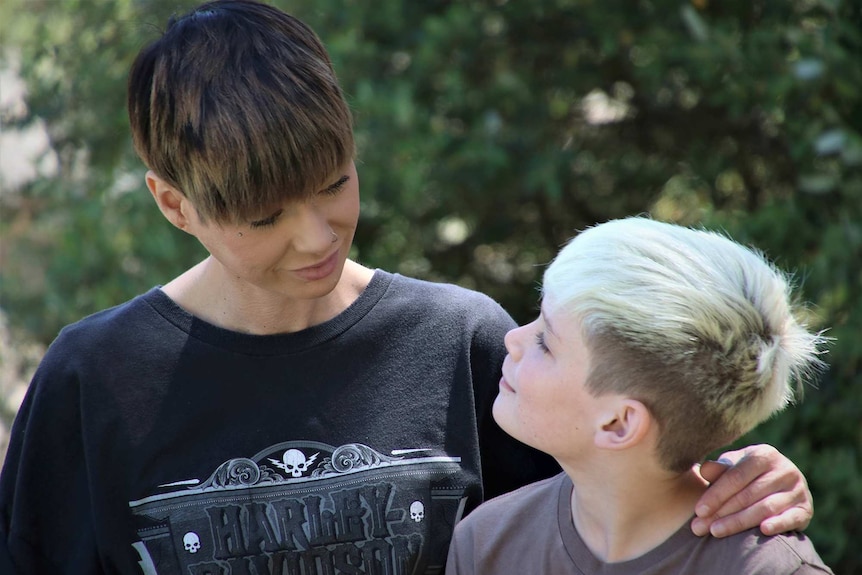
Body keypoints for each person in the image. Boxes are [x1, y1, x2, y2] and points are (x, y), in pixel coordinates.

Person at [0, 2, 816, 573]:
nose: (316, 233)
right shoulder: (92, 380)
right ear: (173, 203)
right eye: (263, 216)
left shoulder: (463, 341)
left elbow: (613, 510)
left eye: (335, 182)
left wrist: (735, 477)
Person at [445, 216, 832, 574]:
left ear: (619, 423)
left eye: (546, 342)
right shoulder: (485, 543)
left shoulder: (772, 569)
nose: (512, 338)